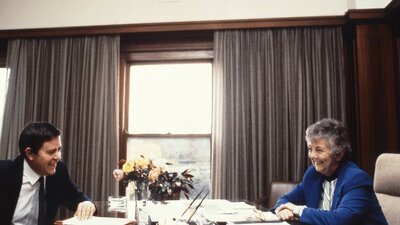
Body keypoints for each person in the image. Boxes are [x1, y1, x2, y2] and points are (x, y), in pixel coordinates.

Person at [273, 118, 387, 225]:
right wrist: (282, 209)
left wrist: (298, 210)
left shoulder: (356, 179)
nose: (312, 155)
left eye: (319, 150)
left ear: (338, 154)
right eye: (310, 149)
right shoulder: (312, 174)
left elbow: (339, 220)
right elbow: (285, 200)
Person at [0, 122, 96, 225]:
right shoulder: (4, 172)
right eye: (51, 152)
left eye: (59, 150)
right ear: (30, 153)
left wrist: (87, 203)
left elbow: (75, 196)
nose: (58, 157)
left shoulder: (59, 170)